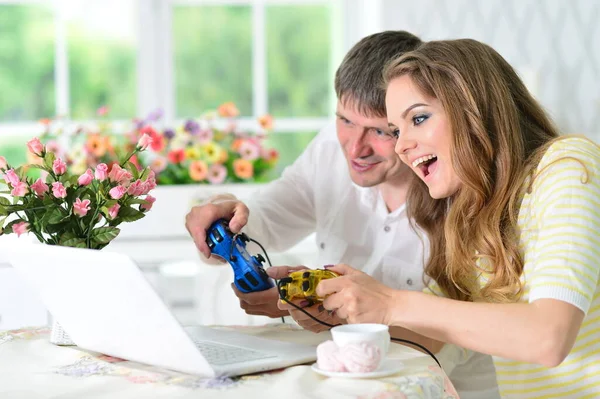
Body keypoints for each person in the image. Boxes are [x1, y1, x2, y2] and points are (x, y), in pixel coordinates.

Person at [186, 31, 499, 398]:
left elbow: (450, 339)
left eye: (381, 131)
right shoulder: (329, 153)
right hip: (341, 382)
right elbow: (262, 222)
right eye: (345, 120)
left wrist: (321, 311)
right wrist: (221, 217)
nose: (355, 147)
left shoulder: (464, 189)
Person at [317, 38, 600, 399]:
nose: (402, 146)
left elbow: (549, 337)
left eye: (418, 118)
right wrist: (345, 314)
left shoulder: (568, 167)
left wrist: (391, 303)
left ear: (474, 109)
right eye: (396, 130)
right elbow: (433, 332)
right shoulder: (475, 210)